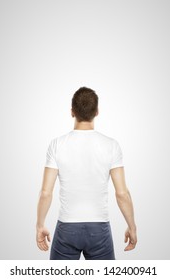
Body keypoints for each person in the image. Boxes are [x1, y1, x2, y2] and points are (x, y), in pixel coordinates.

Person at [36, 87, 137, 260]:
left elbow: (46, 193)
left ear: (72, 112)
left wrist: (39, 225)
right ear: (97, 112)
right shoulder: (111, 145)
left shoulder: (56, 145)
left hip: (67, 229)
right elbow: (122, 193)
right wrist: (132, 227)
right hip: (99, 230)